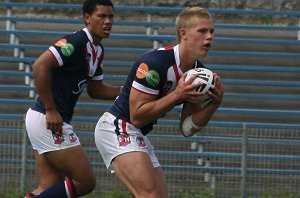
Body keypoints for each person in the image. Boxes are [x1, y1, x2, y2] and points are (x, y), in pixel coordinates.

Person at [94, 6, 224, 198]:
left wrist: (213, 105)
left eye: (211, 31)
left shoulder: (198, 75)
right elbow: (137, 117)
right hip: (117, 127)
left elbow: (187, 129)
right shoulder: (155, 63)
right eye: (202, 31)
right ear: (184, 34)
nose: (209, 36)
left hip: (136, 132)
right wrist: (177, 95)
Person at [24, 0, 121, 197]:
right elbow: (39, 66)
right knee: (85, 181)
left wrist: (128, 91)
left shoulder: (97, 51)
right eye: (101, 16)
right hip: (47, 118)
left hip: (47, 120)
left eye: (110, 16)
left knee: (49, 187)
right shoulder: (75, 43)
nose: (108, 21)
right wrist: (51, 109)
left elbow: (96, 90)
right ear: (87, 18)